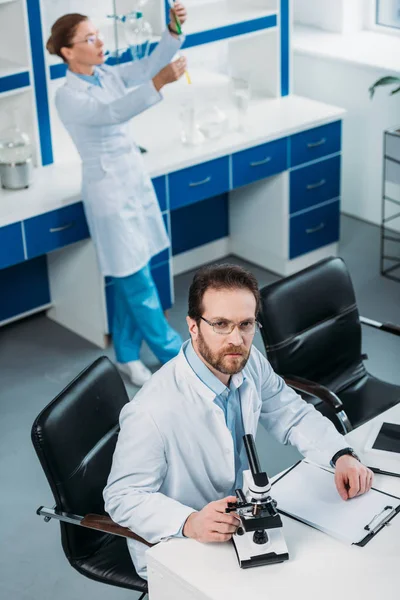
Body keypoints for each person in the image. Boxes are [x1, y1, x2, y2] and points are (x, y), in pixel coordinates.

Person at [104, 263, 373, 579]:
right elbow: (122, 498)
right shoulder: (151, 411)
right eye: (220, 324)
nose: (236, 339)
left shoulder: (247, 363)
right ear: (193, 326)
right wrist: (189, 522)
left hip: (241, 516)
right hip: (181, 542)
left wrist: (340, 455)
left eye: (246, 324)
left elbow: (292, 414)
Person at [46, 6, 188, 386]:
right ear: (67, 52)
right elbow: (112, 112)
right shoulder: (68, 97)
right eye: (89, 39)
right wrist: (159, 82)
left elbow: (144, 69)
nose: (100, 43)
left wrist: (172, 33)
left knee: (134, 270)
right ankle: (176, 356)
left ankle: (126, 354)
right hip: (108, 193)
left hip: (132, 182)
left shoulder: (105, 73)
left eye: (99, 34)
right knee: (136, 280)